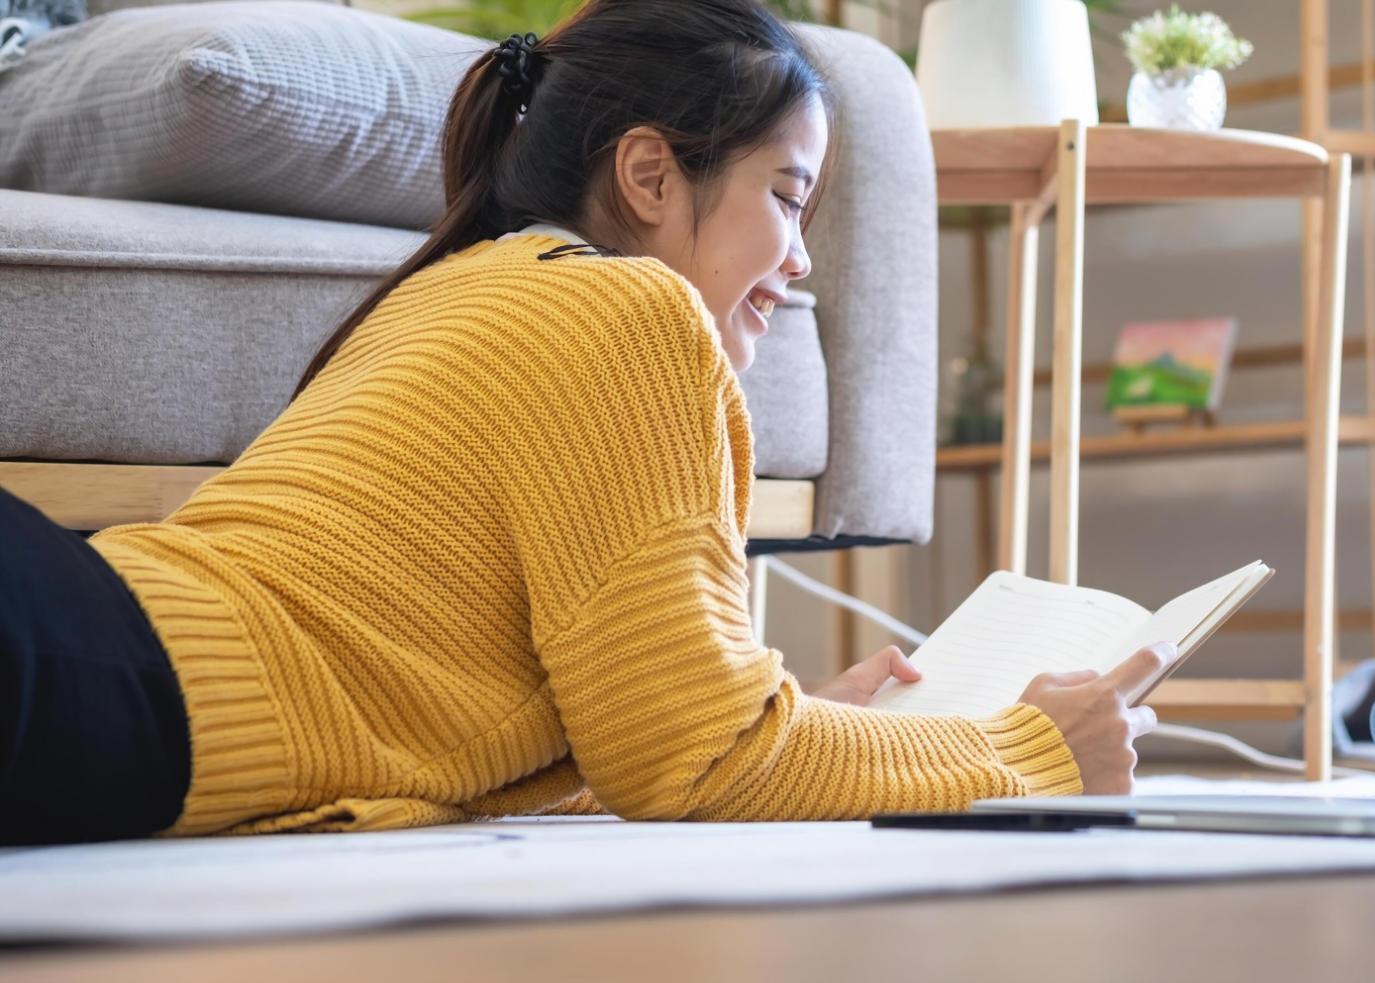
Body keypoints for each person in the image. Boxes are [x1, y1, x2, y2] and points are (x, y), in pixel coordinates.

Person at [0, 0, 1162, 846]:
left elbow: (629, 726)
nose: (800, 257)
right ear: (650, 176)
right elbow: (698, 762)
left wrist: (790, 714)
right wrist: (1026, 748)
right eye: (784, 195)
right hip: (99, 668)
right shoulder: (629, 305)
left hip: (88, 629)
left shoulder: (465, 286)